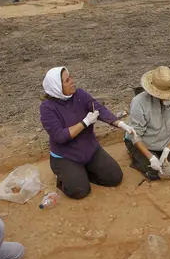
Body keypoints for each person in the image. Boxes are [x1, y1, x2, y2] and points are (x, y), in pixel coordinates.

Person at [40, 66, 135, 199]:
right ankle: (63, 179)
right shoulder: (47, 108)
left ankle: (81, 173)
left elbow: (98, 108)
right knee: (79, 191)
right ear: (56, 86)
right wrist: (85, 123)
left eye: (71, 77)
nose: (72, 81)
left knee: (114, 177)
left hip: (89, 149)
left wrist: (120, 123)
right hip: (66, 156)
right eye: (67, 80)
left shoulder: (79, 94)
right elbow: (60, 137)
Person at [124, 66, 170, 181]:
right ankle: (134, 154)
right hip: (143, 142)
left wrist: (168, 149)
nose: (167, 97)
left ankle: (159, 154)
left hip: (167, 141)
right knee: (155, 173)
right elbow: (135, 134)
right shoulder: (139, 102)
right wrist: (151, 158)